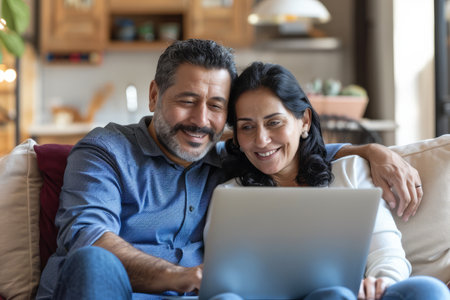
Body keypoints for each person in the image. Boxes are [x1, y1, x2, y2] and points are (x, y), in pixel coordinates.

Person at [36, 39, 424, 299]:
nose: (201, 120)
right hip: (114, 291)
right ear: (155, 95)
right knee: (92, 261)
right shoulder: (106, 150)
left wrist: (373, 151)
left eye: (217, 106)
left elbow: (285, 151)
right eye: (187, 101)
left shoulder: (226, 157)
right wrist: (180, 277)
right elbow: (87, 235)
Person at [218, 61, 449, 300]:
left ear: (304, 121)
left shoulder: (350, 170)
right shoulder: (229, 195)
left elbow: (387, 254)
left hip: (360, 296)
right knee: (334, 295)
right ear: (236, 136)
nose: (262, 139)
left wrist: (380, 284)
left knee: (430, 290)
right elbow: (229, 280)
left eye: (274, 122)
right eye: (247, 127)